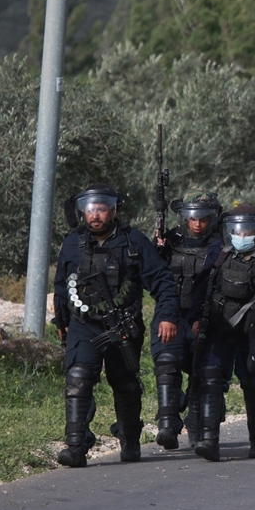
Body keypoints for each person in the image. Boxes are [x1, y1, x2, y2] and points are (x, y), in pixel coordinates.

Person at [52, 183, 180, 467]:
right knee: (78, 379)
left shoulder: (133, 242)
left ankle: (130, 440)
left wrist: (168, 316)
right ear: (81, 212)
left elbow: (162, 281)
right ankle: (75, 447)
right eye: (90, 209)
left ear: (112, 211)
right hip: (84, 325)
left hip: (123, 325)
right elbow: (62, 285)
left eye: (101, 209)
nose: (95, 215)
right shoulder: (72, 242)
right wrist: (61, 320)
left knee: (125, 385)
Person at [188, 204, 255, 461]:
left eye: (248, 231)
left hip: (253, 331)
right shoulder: (219, 252)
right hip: (219, 329)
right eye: (237, 230)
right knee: (210, 377)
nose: (242, 236)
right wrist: (194, 319)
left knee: (254, 382)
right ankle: (208, 440)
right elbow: (201, 287)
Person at [154, 189, 224, 449]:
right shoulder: (171, 240)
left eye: (203, 218)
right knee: (166, 362)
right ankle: (167, 423)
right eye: (192, 218)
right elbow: (155, 277)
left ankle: (199, 425)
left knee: (204, 372)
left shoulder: (221, 243)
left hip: (207, 317)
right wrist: (157, 248)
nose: (197, 224)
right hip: (172, 314)